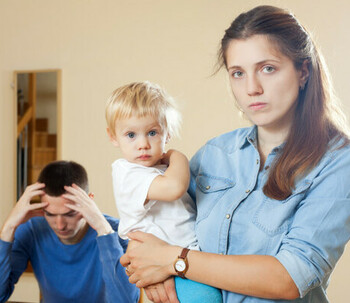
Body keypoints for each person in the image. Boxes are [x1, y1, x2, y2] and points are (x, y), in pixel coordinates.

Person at [119, 5, 350, 303]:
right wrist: (145, 267)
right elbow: (155, 230)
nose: (252, 88)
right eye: (238, 73)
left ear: (303, 71)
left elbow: (291, 277)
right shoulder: (214, 153)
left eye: (268, 68)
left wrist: (175, 260)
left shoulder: (338, 163)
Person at [105, 81, 222, 302]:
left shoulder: (161, 169)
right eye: (131, 135)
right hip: (170, 269)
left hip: (185, 260)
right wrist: (178, 156)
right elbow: (174, 188)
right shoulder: (126, 172)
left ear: (166, 133)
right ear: (113, 137)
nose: (142, 144)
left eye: (152, 132)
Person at [0, 160, 139, 303]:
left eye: (70, 214)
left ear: (89, 201)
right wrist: (8, 228)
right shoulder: (31, 230)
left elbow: (126, 300)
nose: (60, 225)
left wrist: (103, 230)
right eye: (50, 214)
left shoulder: (119, 231)